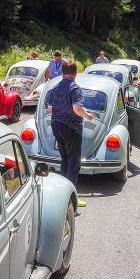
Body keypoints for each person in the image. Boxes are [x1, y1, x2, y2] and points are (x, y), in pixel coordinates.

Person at [46, 60, 94, 207]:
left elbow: (49, 109)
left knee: (65, 159)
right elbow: (77, 109)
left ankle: (61, 193)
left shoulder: (54, 88)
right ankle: (71, 199)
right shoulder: (75, 88)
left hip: (56, 126)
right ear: (76, 73)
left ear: (62, 72)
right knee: (74, 163)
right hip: (71, 128)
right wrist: (88, 116)